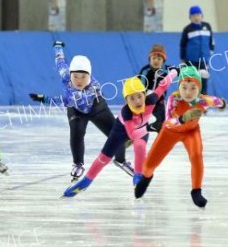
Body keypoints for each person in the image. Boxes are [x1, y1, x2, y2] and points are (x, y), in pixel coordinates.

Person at [62, 68, 178, 197]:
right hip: (121, 131)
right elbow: (131, 135)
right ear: (126, 101)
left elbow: (163, 85)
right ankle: (86, 181)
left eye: (139, 96)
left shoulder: (151, 100)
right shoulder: (126, 112)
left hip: (142, 129)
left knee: (140, 146)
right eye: (132, 99)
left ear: (145, 95)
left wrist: (174, 72)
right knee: (103, 159)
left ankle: (137, 177)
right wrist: (150, 128)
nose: (137, 101)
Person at [29, 41, 133, 181]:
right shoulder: (65, 74)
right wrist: (58, 47)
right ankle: (78, 164)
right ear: (70, 75)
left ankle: (121, 160)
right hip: (76, 110)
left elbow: (65, 101)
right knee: (76, 134)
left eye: (83, 77)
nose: (79, 80)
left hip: (97, 107)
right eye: (76, 76)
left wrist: (45, 99)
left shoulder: (93, 87)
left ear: (89, 76)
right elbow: (60, 61)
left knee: (116, 135)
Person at [134, 65, 226, 208]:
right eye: (184, 87)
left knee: (196, 156)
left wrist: (222, 103)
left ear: (199, 89)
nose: (188, 92)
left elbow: (216, 101)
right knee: (149, 165)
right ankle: (146, 178)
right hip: (170, 132)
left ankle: (196, 191)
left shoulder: (202, 100)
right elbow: (169, 122)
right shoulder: (174, 99)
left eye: (193, 88)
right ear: (179, 87)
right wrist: (183, 119)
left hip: (191, 132)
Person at [138, 44, 177, 132]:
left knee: (163, 121)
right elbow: (140, 85)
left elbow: (180, 72)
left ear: (163, 61)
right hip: (145, 100)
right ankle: (138, 132)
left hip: (159, 101)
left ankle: (160, 140)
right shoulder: (145, 70)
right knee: (139, 122)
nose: (156, 61)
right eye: (154, 58)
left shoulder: (167, 69)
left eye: (159, 59)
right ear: (150, 59)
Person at [180, 5, 214, 94]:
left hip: (203, 60)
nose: (196, 17)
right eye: (193, 15)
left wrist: (211, 50)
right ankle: (190, 102)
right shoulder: (187, 29)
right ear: (190, 17)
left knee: (204, 80)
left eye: (198, 15)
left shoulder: (207, 26)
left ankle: (203, 103)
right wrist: (183, 58)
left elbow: (211, 40)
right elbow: (182, 45)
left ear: (201, 16)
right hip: (190, 60)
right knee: (190, 81)